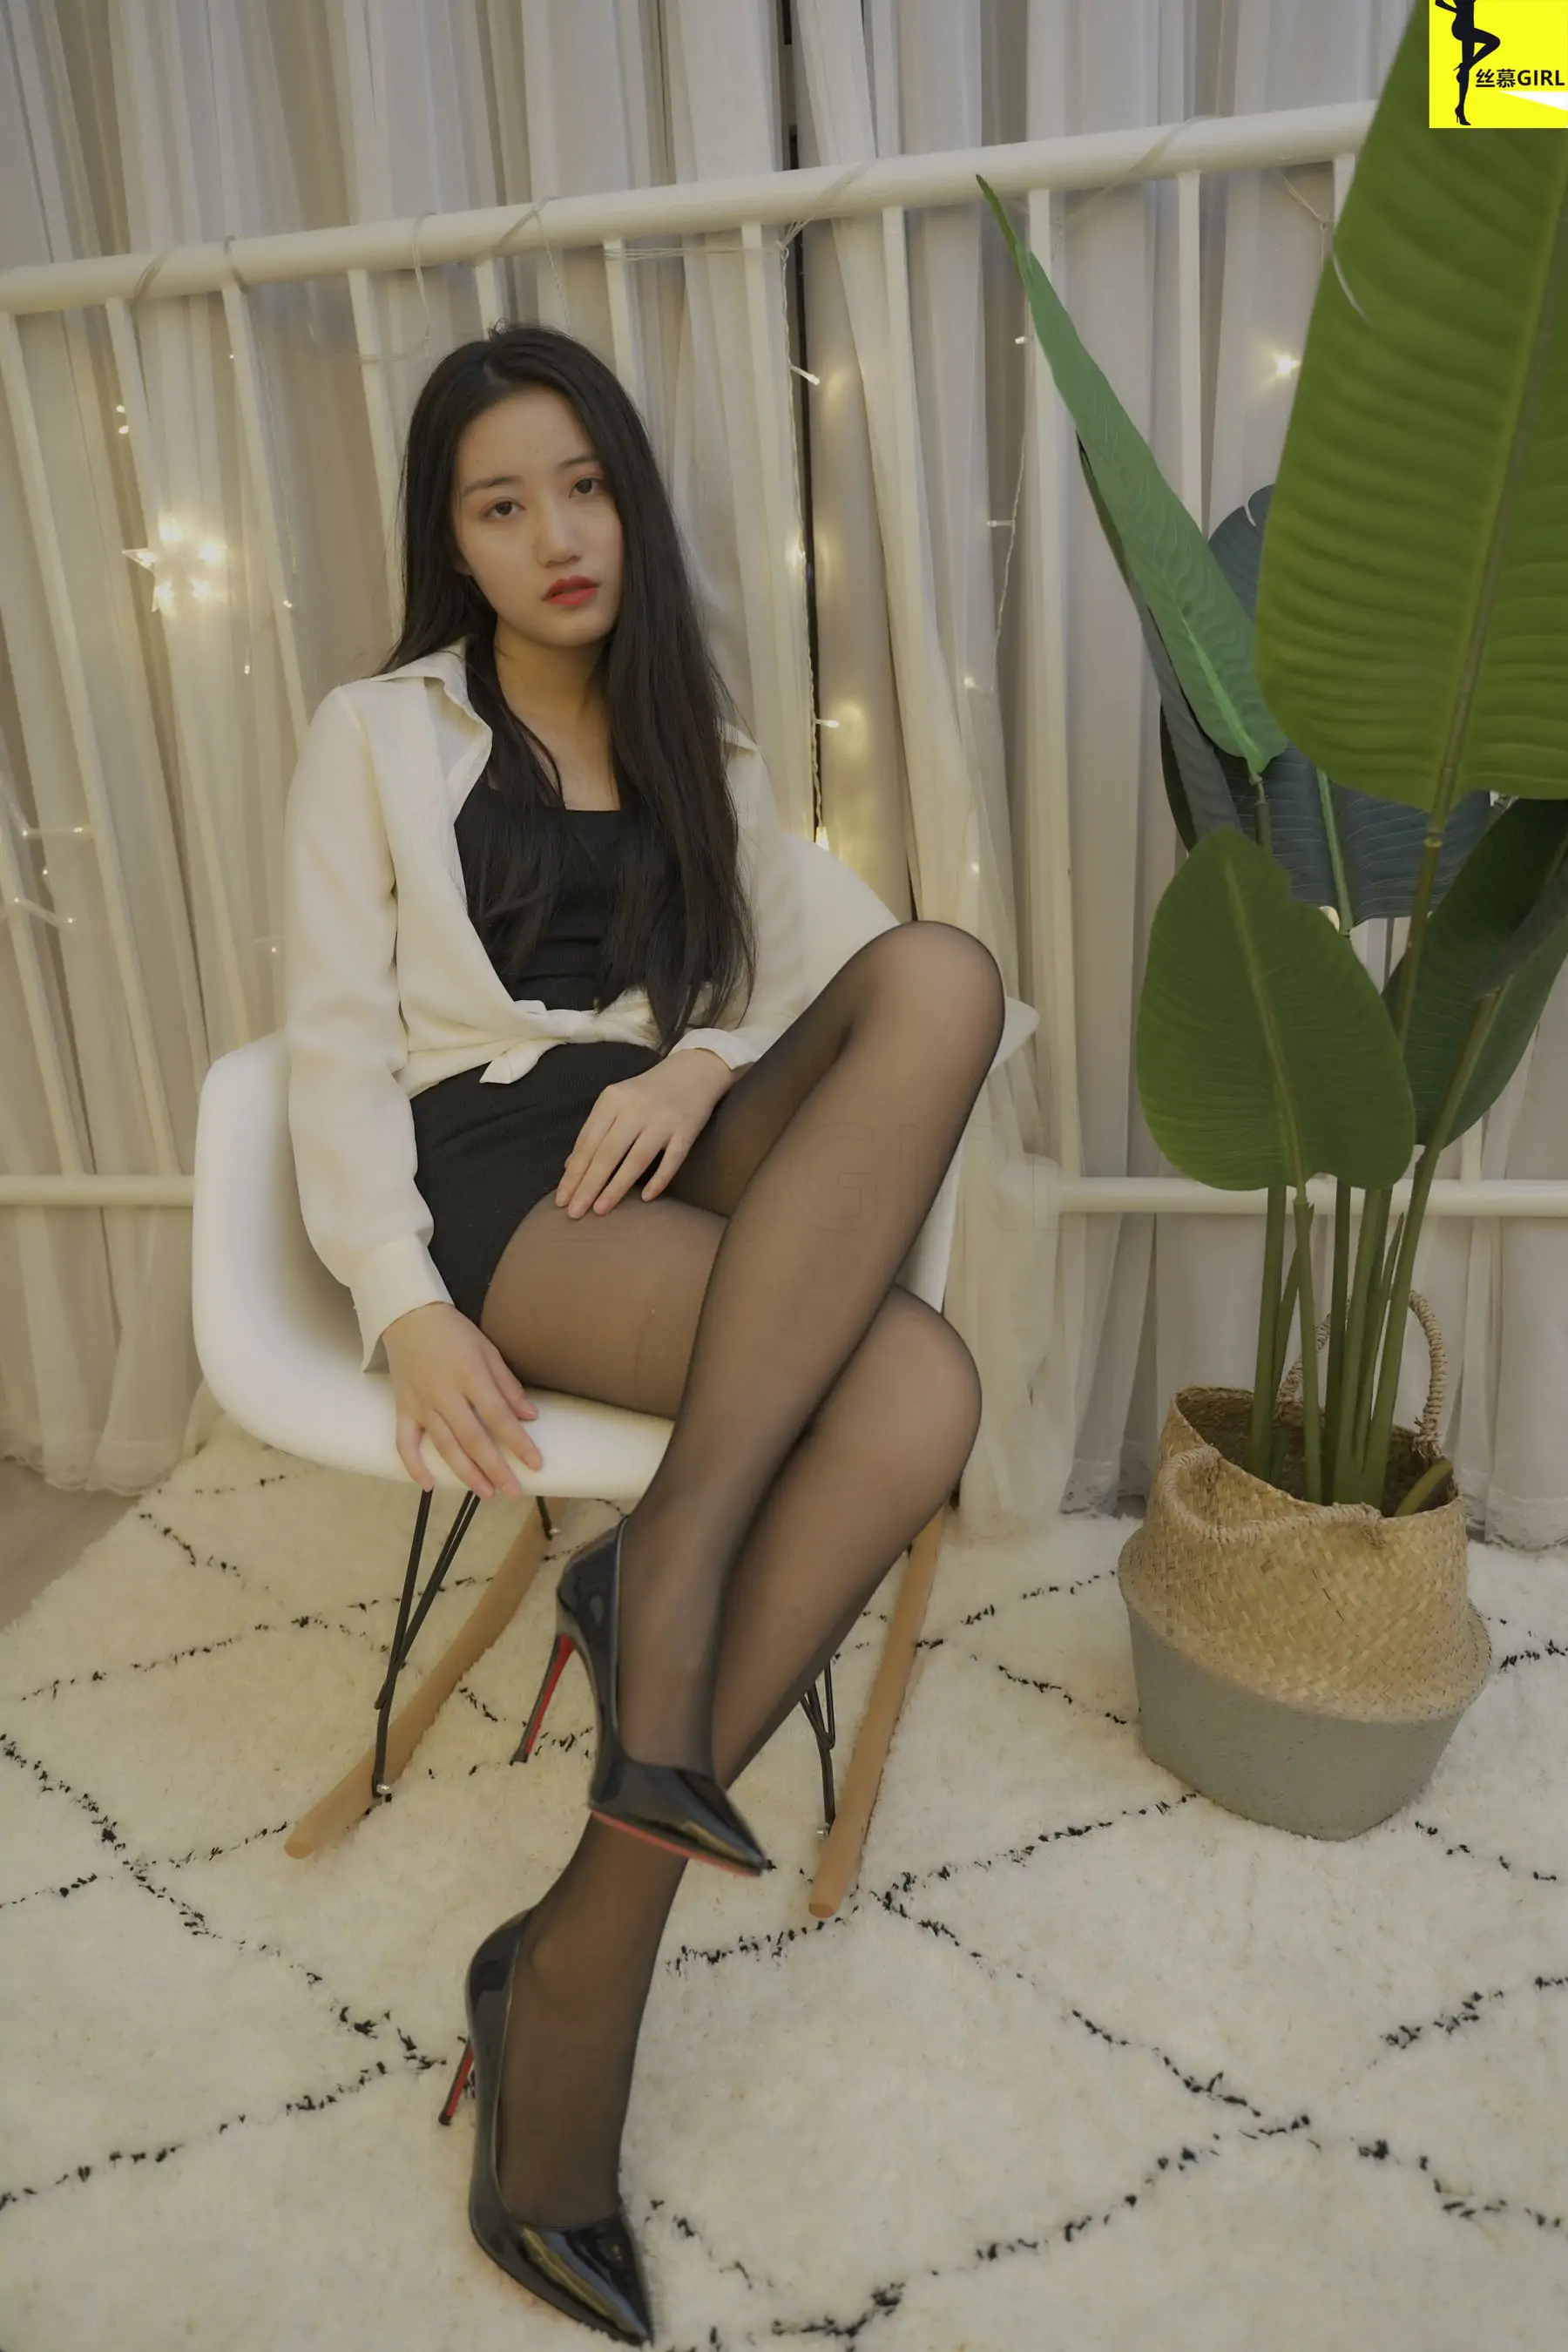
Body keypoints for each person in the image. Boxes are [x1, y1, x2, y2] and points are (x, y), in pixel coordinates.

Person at [280, 321, 1004, 2343]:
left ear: (631, 497)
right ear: (453, 542)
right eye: (502, 506)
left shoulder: (709, 745)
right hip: (500, 1173)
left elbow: (808, 986)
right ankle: (588, 1961)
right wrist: (406, 1302)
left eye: (584, 487)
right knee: (918, 1390)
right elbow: (332, 1045)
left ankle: (580, 1895)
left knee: (944, 972)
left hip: (664, 1147)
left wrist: (702, 1062)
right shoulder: (378, 733)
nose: (557, 536)